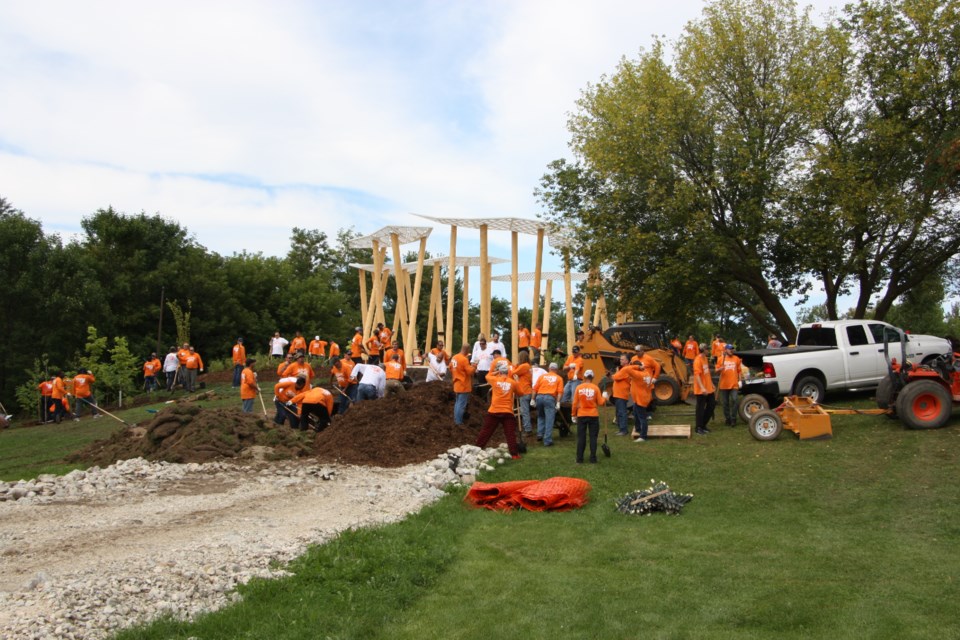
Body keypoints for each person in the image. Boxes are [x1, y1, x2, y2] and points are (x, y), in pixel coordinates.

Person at [476, 362, 522, 460]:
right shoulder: (512, 382)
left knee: (486, 431)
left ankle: (477, 448)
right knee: (510, 433)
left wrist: (496, 372)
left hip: (494, 411)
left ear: (500, 372)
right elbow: (521, 393)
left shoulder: (495, 380)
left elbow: (487, 375)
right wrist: (517, 382)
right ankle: (514, 454)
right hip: (507, 411)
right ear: (508, 372)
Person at [573, 370, 606, 463]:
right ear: (592, 377)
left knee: (581, 437)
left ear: (584, 377)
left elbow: (575, 403)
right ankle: (593, 458)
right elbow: (600, 403)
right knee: (593, 437)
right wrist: (605, 397)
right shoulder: (595, 388)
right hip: (593, 415)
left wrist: (573, 414)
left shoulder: (578, 388)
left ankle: (579, 459)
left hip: (581, 415)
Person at [532, 362, 564, 446]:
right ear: (556, 370)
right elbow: (560, 392)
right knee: (549, 419)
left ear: (549, 369)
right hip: (549, 398)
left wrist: (532, 399)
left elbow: (535, 389)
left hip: (539, 397)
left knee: (541, 416)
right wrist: (558, 402)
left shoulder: (542, 377)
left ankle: (540, 434)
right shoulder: (559, 378)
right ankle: (547, 440)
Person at [626, 361, 655, 442]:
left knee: (642, 417)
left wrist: (635, 367)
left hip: (640, 399)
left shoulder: (638, 375)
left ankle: (643, 436)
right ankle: (638, 429)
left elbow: (627, 369)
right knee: (636, 413)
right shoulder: (646, 373)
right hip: (642, 397)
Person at [717, 343, 744, 426]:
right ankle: (727, 419)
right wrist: (719, 369)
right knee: (725, 403)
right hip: (724, 384)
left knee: (735, 400)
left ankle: (733, 418)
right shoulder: (721, 359)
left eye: (732, 349)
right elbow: (717, 370)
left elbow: (739, 371)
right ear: (725, 350)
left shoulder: (736, 359)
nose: (731, 350)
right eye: (729, 349)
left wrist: (740, 380)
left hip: (734, 384)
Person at [692, 344, 715, 435]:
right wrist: (702, 388)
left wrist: (712, 383)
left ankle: (703, 425)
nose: (708, 351)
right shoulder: (697, 360)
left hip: (709, 388)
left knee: (711, 405)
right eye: (707, 349)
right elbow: (697, 375)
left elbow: (707, 373)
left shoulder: (705, 358)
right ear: (703, 350)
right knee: (700, 409)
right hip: (701, 390)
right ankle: (698, 427)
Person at [451, 344, 475, 426]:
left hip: (456, 383)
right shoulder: (464, 359)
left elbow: (450, 368)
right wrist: (474, 366)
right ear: (467, 349)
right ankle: (458, 422)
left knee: (457, 403)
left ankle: (456, 420)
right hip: (464, 384)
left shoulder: (454, 357)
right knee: (461, 405)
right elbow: (470, 372)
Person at [610, 355, 633, 436]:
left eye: (622, 359)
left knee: (622, 412)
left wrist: (612, 374)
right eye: (620, 359)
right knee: (619, 412)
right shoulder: (623, 369)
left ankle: (623, 430)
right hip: (619, 394)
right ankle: (621, 429)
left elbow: (615, 377)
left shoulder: (626, 369)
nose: (620, 360)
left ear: (627, 361)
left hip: (621, 394)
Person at [513, 350, 534, 435]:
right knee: (526, 411)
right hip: (528, 391)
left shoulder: (524, 366)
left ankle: (528, 430)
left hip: (524, 392)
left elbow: (513, 373)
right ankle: (528, 428)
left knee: (525, 412)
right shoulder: (528, 366)